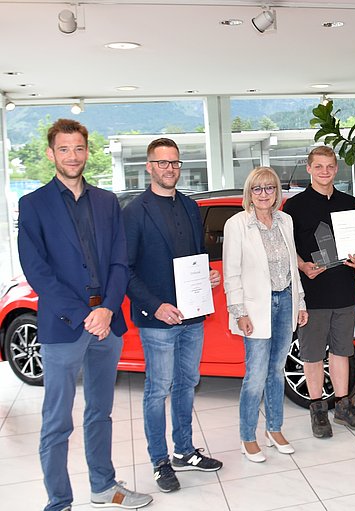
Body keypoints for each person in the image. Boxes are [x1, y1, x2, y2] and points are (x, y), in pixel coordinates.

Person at [18, 119, 152, 511]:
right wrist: (83, 315)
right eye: (64, 149)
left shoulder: (108, 201)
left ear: (87, 151)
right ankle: (59, 501)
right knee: (57, 421)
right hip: (63, 326)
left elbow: (119, 261)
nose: (72, 156)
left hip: (106, 324)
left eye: (78, 148)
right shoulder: (34, 204)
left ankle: (103, 486)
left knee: (101, 412)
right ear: (51, 153)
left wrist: (108, 309)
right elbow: (37, 271)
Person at [124, 138, 223, 493]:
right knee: (157, 391)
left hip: (193, 316)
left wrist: (208, 274)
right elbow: (126, 270)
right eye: (162, 163)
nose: (169, 169)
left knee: (186, 384)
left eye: (175, 163)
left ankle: (184, 451)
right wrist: (155, 305)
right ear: (149, 166)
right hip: (158, 321)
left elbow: (196, 254)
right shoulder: (135, 212)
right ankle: (160, 461)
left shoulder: (190, 206)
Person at [282, 146, 355, 438]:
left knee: (342, 350)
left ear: (336, 168)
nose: (324, 171)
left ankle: (344, 406)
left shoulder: (349, 203)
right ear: (309, 169)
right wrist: (303, 266)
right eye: (318, 166)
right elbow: (287, 248)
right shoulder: (294, 207)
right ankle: (318, 409)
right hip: (312, 291)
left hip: (344, 287)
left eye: (330, 166)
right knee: (312, 354)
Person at [223, 167, 309, 462]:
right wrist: (238, 311)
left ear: (277, 192)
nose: (263, 194)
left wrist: (300, 303)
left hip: (284, 300)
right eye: (257, 189)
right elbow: (231, 273)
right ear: (249, 192)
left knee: (276, 371)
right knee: (256, 375)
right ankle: (248, 436)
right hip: (255, 307)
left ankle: (274, 428)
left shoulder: (285, 221)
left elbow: (291, 268)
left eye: (269, 188)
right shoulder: (237, 225)